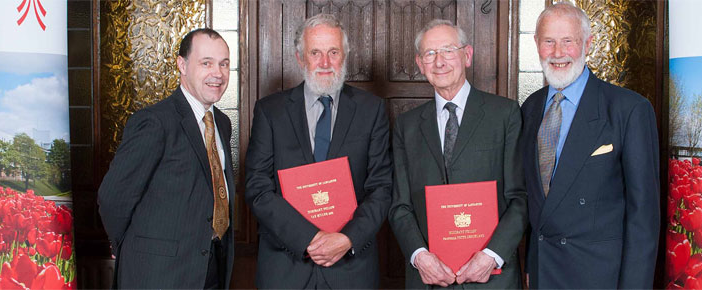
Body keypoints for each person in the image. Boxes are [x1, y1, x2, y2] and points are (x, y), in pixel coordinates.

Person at [244, 13, 392, 289]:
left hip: (351, 269)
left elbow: (381, 188)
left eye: (333, 52)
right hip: (285, 268)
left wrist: (347, 239)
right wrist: (308, 238)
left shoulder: (371, 110)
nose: (325, 63)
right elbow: (257, 187)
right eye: (315, 52)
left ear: (344, 56)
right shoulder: (270, 111)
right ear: (301, 58)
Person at [520, 1, 660, 289]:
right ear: (536, 44)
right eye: (549, 42)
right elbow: (535, 204)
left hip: (599, 278)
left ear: (588, 43)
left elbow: (643, 217)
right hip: (544, 274)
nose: (558, 53)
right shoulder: (530, 108)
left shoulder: (629, 110)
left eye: (568, 41)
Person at [388, 19, 527, 288]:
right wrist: (419, 257)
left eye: (448, 50)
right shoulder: (406, 126)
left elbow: (519, 197)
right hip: (429, 278)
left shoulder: (505, 114)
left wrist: (491, 255)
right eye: (430, 53)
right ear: (420, 64)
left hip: (492, 278)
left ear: (467, 55)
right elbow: (399, 205)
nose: (439, 61)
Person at [98, 28, 235, 288]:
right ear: (182, 65)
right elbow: (112, 197)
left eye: (224, 64)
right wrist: (129, 246)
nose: (217, 73)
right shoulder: (154, 122)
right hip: (159, 274)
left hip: (210, 269)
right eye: (206, 63)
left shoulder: (222, 124)